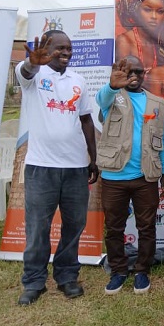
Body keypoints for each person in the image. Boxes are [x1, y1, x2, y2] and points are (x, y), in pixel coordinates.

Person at [16, 30, 99, 305]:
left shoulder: (78, 79)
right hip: (42, 166)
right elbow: (26, 72)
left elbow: (86, 119)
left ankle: (66, 276)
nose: (66, 53)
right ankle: (34, 281)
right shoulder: (33, 75)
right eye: (60, 48)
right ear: (46, 48)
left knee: (74, 224)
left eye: (69, 49)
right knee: (38, 227)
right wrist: (32, 63)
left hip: (75, 166)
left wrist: (92, 158)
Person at [96, 56, 164, 295]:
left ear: (144, 74)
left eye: (138, 72)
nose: (134, 76)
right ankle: (118, 271)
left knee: (147, 226)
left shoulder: (157, 102)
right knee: (114, 227)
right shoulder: (112, 97)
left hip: (145, 176)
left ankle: (142, 270)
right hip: (114, 175)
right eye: (129, 71)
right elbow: (101, 100)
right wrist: (112, 86)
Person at [116, 0, 164, 72]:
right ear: (135, 11)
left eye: (160, 11)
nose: (154, 16)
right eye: (147, 10)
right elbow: (122, 77)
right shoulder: (125, 40)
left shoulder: (163, 42)